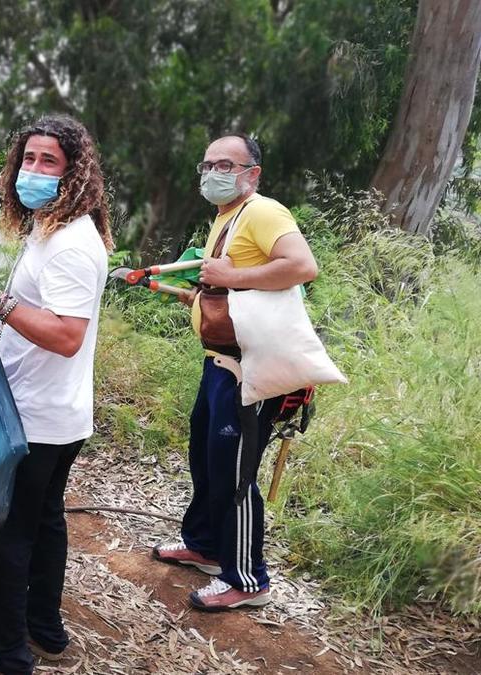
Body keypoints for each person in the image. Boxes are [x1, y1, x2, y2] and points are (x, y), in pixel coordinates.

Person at [0, 116, 111, 675]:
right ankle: (45, 632)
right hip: (54, 414)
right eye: (29, 159)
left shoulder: (71, 244)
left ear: (75, 173)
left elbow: (67, 336)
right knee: (44, 524)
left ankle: (5, 654)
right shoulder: (50, 230)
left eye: (50, 162)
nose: (35, 171)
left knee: (8, 535)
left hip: (37, 419)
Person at [151, 134, 318, 611]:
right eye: (207, 165)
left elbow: (303, 266)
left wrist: (230, 278)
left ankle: (247, 578)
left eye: (226, 164)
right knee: (206, 460)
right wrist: (198, 296)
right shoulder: (229, 216)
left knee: (236, 474)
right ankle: (204, 544)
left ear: (252, 173)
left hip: (250, 371)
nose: (213, 173)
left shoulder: (264, 211)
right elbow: (238, 288)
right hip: (220, 363)